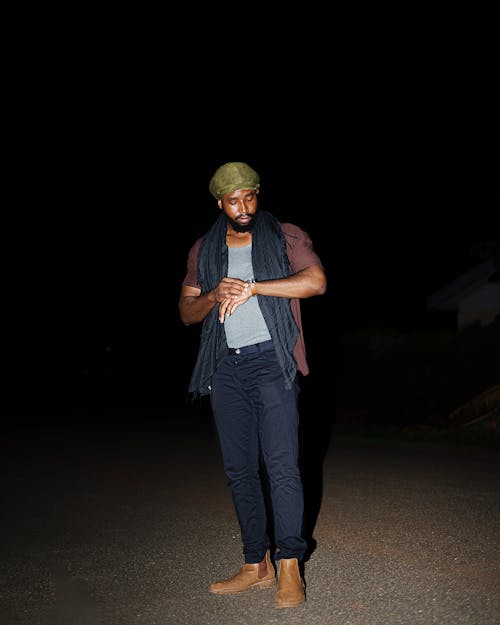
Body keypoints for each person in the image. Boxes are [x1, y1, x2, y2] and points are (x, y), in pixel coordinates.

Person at [178, 161, 327, 609]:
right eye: (233, 200)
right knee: (240, 469)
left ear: (258, 193)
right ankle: (254, 564)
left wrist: (253, 287)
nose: (243, 208)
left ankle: (288, 565)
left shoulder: (285, 236)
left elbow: (315, 282)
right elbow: (186, 313)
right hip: (225, 367)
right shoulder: (204, 250)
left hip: (271, 361)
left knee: (281, 466)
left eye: (250, 196)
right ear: (219, 203)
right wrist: (213, 295)